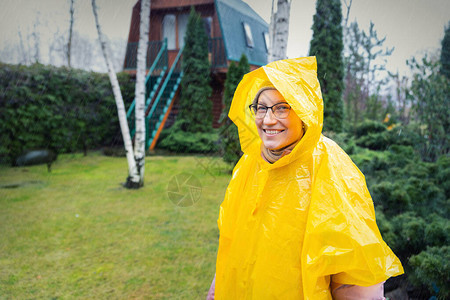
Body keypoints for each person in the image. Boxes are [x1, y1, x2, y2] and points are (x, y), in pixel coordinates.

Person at [207, 57, 403, 299]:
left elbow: (354, 267)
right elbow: (231, 241)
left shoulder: (329, 165)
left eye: (281, 107)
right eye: (261, 107)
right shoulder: (250, 163)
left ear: (303, 111)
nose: (268, 119)